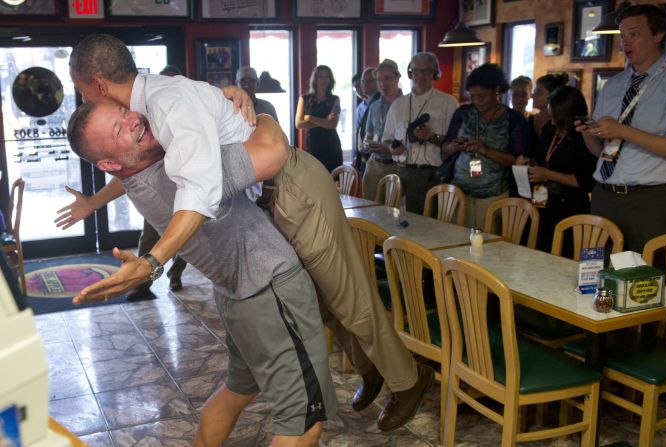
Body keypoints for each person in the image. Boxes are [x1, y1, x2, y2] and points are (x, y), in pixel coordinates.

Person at [66, 34, 433, 432]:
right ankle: (369, 368)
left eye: (82, 90)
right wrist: (94, 202)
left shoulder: (165, 105)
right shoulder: (145, 108)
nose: (84, 98)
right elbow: (134, 169)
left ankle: (408, 380)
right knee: (324, 298)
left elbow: (207, 185)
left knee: (348, 295)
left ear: (98, 85)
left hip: (292, 186)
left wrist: (154, 262)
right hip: (265, 197)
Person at [67, 102, 337, 446]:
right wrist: (256, 109)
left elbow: (123, 179)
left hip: (238, 301)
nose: (134, 120)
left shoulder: (137, 174)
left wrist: (93, 202)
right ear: (109, 163)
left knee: (235, 393)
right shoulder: (189, 174)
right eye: (119, 129)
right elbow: (272, 148)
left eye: (123, 112)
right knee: (302, 425)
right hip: (272, 296)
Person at [577, 4, 666, 252]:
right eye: (622, 35)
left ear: (658, 35)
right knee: (596, 275)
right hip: (604, 195)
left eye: (634, 34)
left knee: (646, 283)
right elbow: (602, 152)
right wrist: (590, 134)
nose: (625, 43)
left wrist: (624, 131)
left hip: (651, 200)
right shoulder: (613, 85)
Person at [126, 64, 188, 299]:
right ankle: (142, 285)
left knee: (187, 237)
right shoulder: (146, 115)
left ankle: (176, 275)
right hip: (158, 187)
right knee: (150, 237)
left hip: (185, 187)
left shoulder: (188, 112)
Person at [441, 63, 528, 228]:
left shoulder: (514, 119)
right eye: (472, 96)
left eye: (482, 96)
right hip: (459, 192)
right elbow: (444, 149)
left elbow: (518, 161)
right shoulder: (463, 113)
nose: (477, 101)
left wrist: (485, 150)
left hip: (494, 196)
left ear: (496, 90)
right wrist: (456, 146)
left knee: (487, 246)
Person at [516, 86, 597, 252]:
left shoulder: (584, 137)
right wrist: (529, 162)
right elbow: (541, 159)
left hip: (569, 206)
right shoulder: (550, 130)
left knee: (562, 252)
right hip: (543, 200)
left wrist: (548, 174)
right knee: (535, 248)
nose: (552, 122)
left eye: (556, 118)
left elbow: (584, 181)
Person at [381, 52, 458, 213]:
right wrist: (392, 148)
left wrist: (434, 137)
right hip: (403, 173)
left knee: (432, 229)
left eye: (427, 71)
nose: (421, 75)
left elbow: (456, 143)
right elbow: (386, 138)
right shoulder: (398, 104)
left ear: (435, 73)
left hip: (434, 175)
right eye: (417, 71)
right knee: (402, 225)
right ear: (410, 72)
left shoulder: (448, 103)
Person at [361, 59, 402, 200]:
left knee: (394, 216)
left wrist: (386, 148)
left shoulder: (407, 105)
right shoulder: (374, 106)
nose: (382, 84)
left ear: (397, 78)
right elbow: (368, 135)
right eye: (379, 80)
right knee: (369, 211)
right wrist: (368, 144)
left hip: (397, 167)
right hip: (374, 166)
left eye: (387, 78)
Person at [295, 65, 342, 173]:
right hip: (313, 146)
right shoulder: (304, 98)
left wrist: (309, 117)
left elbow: (332, 125)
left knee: (333, 183)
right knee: (313, 180)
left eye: (327, 77)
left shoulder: (335, 99)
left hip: (331, 146)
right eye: (321, 77)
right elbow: (298, 124)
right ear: (315, 79)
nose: (324, 80)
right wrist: (324, 121)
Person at [529, 73, 569, 150]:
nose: (532, 96)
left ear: (553, 95)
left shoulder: (561, 125)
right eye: (535, 91)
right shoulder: (529, 121)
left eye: (539, 92)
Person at [353, 67, 379, 175]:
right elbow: (359, 132)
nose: (364, 84)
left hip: (374, 157)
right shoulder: (362, 105)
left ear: (377, 81)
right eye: (363, 81)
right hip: (364, 155)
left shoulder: (379, 102)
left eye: (369, 81)